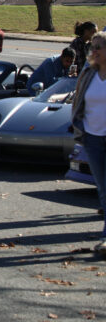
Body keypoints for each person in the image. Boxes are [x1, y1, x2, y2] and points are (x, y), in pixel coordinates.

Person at [71, 31, 106, 258]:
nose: (93, 50)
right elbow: (78, 100)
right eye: (92, 46)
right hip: (93, 139)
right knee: (103, 191)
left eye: (99, 47)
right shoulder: (88, 74)